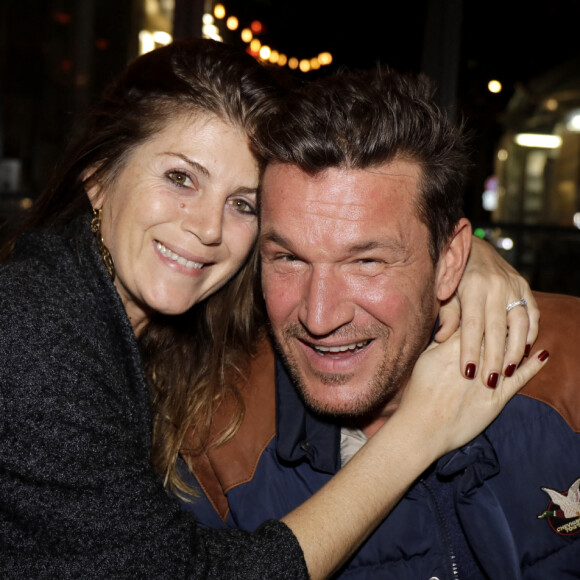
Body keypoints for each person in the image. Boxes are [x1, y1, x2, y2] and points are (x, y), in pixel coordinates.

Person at [0, 38, 544, 579]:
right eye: (180, 178)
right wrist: (419, 433)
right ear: (98, 179)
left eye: (242, 204)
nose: (208, 229)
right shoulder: (32, 332)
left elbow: (334, 227)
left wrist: (458, 264)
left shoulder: (179, 323)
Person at [180, 65, 580, 579]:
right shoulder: (212, 447)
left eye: (366, 262)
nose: (319, 316)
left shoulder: (568, 373)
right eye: (289, 259)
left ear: (452, 260)